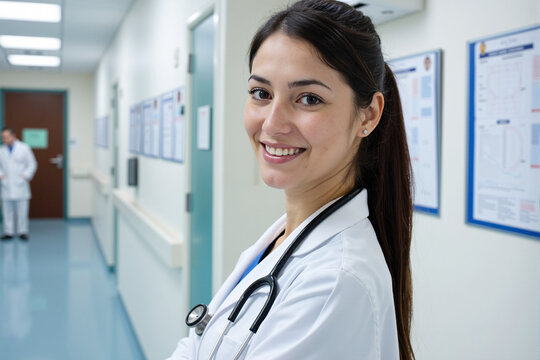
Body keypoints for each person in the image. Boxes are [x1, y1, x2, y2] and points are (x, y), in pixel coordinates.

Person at [168, 0, 414, 359]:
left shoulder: (336, 283)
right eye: (261, 94)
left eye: (308, 98)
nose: (271, 124)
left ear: (369, 115)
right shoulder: (282, 238)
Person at [0, 128, 37, 241]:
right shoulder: (1, 150)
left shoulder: (24, 148)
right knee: (7, 211)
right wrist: (1, 175)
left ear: (13, 136)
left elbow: (32, 164)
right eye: (3, 137)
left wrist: (25, 176)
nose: (4, 139)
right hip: (6, 185)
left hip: (20, 184)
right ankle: (8, 232)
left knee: (22, 211)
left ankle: (22, 232)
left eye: (6, 137)